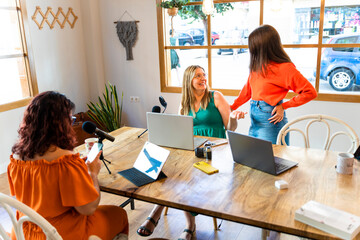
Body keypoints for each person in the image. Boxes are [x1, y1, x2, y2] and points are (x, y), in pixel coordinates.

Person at [137, 65, 246, 240]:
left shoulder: (215, 97)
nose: (203, 78)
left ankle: (186, 225)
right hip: (192, 150)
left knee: (186, 178)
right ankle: (161, 211)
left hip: (215, 152)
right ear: (189, 80)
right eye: (198, 76)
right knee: (170, 172)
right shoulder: (184, 103)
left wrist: (233, 119)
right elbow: (181, 130)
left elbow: (230, 129)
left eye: (204, 75)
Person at [8, 91, 129, 240]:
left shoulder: (16, 159)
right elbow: (87, 209)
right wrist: (92, 173)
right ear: (60, 124)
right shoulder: (66, 161)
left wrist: (76, 170)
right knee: (120, 215)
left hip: (23, 232)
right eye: (70, 120)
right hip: (59, 235)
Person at [231, 24, 317, 144]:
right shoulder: (257, 66)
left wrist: (284, 106)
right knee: (255, 157)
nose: (251, 49)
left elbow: (310, 92)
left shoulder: (285, 68)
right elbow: (247, 91)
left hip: (271, 121)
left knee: (272, 159)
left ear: (263, 47)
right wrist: (231, 107)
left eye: (253, 46)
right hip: (255, 121)